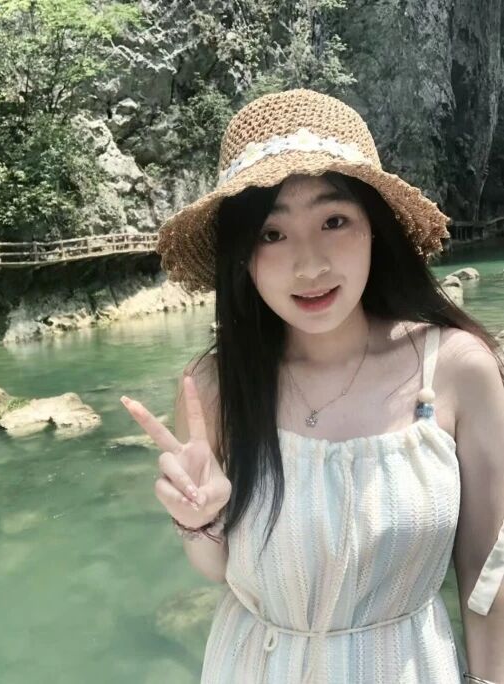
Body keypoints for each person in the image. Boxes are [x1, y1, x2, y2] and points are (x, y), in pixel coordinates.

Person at [120, 89, 504, 683]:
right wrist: (199, 519)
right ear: (243, 255)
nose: (310, 265)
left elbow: (489, 568)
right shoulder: (216, 387)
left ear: (375, 228)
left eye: (334, 221)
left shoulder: (456, 369)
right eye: (271, 234)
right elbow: (221, 571)